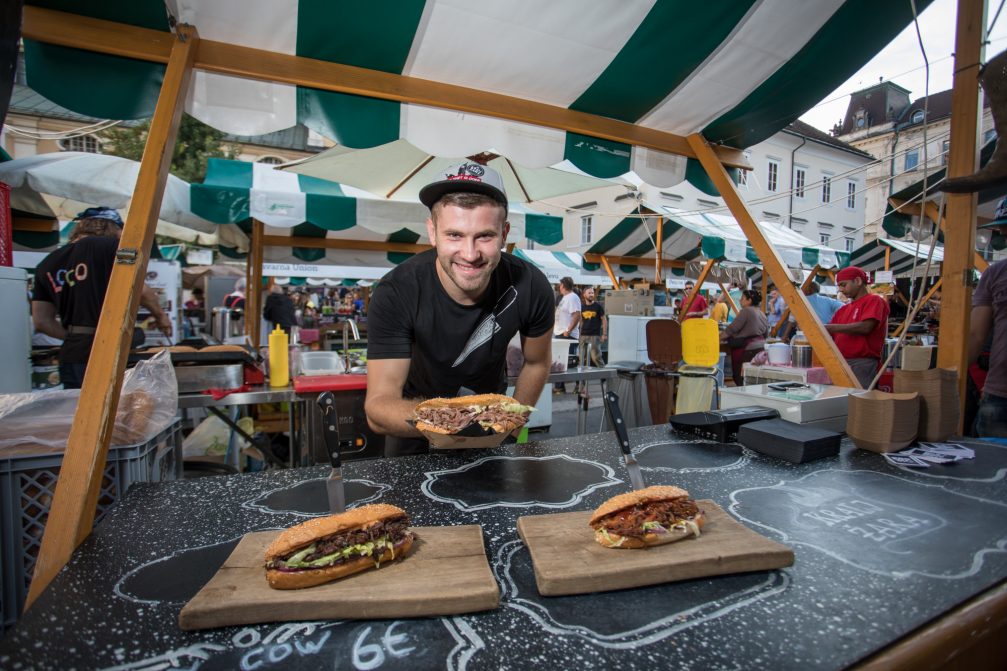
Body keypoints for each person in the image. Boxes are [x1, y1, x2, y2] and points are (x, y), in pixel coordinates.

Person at [364, 161, 554, 456]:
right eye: (454, 235)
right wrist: (455, 421)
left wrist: (513, 426)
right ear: (432, 232)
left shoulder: (531, 285)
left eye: (485, 236)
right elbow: (377, 408)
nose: (470, 254)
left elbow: (537, 362)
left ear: (504, 233)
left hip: (492, 433)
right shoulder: (396, 291)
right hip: (414, 432)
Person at [31, 207, 172, 389]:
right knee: (121, 413)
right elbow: (141, 291)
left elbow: (41, 321)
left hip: (74, 355)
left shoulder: (47, 262)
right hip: (110, 351)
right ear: (113, 228)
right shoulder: (115, 247)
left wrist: (75, 337)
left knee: (80, 412)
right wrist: (161, 316)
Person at [825, 266, 890, 388]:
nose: (841, 290)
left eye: (844, 285)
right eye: (839, 286)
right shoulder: (842, 310)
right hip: (841, 362)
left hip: (862, 363)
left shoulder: (874, 300)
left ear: (858, 281)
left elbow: (866, 327)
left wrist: (831, 328)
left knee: (859, 401)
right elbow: (829, 333)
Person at [969, 257, 1007, 437]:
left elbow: (975, 335)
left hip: (999, 391)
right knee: (992, 460)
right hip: (1000, 390)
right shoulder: (996, 272)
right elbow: (975, 335)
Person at [719, 289, 769, 386]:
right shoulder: (761, 313)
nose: (740, 300)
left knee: (742, 376)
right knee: (754, 377)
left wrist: (719, 338)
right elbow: (766, 334)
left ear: (749, 300)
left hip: (747, 349)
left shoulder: (746, 311)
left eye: (742, 299)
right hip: (760, 348)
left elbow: (732, 328)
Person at [553, 277, 581, 393]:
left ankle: (580, 385)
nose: (559, 287)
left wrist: (568, 330)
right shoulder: (565, 298)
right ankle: (559, 387)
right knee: (560, 362)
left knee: (570, 363)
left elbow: (576, 315)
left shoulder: (573, 297)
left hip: (567, 335)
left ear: (563, 285)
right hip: (561, 333)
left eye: (560, 285)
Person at [578, 287, 606, 368]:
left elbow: (604, 320)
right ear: (584, 295)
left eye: (592, 293)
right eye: (589, 293)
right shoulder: (582, 307)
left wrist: (604, 334)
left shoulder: (598, 306)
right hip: (583, 335)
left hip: (594, 335)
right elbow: (581, 321)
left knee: (596, 357)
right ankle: (581, 378)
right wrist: (579, 335)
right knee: (582, 358)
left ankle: (604, 375)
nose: (591, 295)